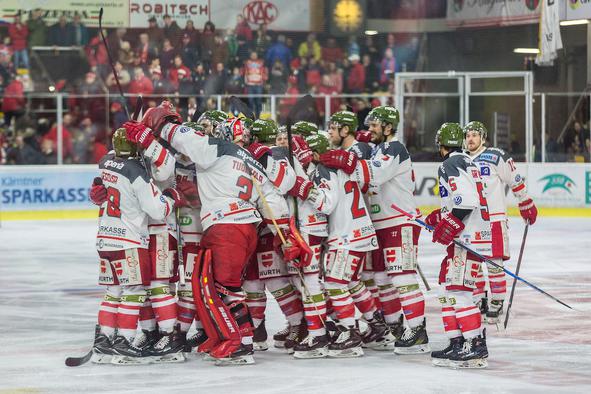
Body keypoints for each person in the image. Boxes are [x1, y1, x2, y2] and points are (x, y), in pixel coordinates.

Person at [122, 102, 298, 365]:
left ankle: (241, 343)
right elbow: (271, 199)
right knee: (212, 286)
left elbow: (183, 137)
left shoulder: (217, 149)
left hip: (227, 226)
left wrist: (156, 127)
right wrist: (285, 233)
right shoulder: (247, 158)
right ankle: (224, 336)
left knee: (223, 289)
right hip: (243, 227)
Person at [320, 106, 430, 354]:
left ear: (388, 127)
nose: (368, 131)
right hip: (381, 223)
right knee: (382, 279)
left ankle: (417, 329)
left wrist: (337, 158)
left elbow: (374, 174)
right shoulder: (379, 148)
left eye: (374, 126)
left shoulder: (394, 148)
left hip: (399, 221)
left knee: (402, 277)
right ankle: (394, 326)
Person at [87, 128, 189, 365]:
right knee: (139, 291)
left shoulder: (107, 161)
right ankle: (130, 339)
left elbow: (163, 165)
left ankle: (108, 339)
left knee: (121, 291)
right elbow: (157, 207)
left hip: (109, 237)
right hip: (134, 236)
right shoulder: (137, 170)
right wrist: (172, 197)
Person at [298, 111, 380, 358]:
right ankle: (377, 325)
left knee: (334, 283)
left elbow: (327, 204)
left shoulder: (324, 169)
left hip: (346, 236)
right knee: (351, 282)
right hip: (359, 231)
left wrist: (305, 190)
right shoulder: (340, 167)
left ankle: (349, 333)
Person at [240, 119, 307, 353]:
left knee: (277, 280)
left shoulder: (277, 155)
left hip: (273, 226)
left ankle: (300, 324)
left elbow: (286, 183)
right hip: (252, 225)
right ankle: (256, 328)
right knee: (251, 281)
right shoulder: (246, 154)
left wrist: (264, 157)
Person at [427, 122, 490, 369]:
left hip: (467, 239)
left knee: (459, 292)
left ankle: (474, 345)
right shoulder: (466, 161)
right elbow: (460, 200)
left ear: (440, 143)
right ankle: (457, 341)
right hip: (468, 236)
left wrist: (451, 223)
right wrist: (442, 216)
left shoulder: (450, 163)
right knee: (447, 288)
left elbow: (466, 202)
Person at [463, 121, 538, 323]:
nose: (470, 139)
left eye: (474, 135)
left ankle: (497, 301)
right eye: (467, 135)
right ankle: (478, 299)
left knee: (494, 264)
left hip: (493, 220)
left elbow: (515, 180)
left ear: (483, 138)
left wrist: (525, 202)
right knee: (472, 263)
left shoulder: (495, 156)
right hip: (470, 221)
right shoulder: (460, 160)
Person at [243, 51, 267, 118]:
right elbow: (245, 72)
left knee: (258, 102)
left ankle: (258, 116)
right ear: (250, 55)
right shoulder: (247, 62)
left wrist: (264, 81)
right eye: (252, 55)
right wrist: (246, 82)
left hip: (259, 84)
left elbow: (263, 72)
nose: (253, 56)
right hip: (250, 84)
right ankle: (251, 117)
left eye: (255, 55)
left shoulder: (261, 62)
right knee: (250, 101)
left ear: (257, 55)